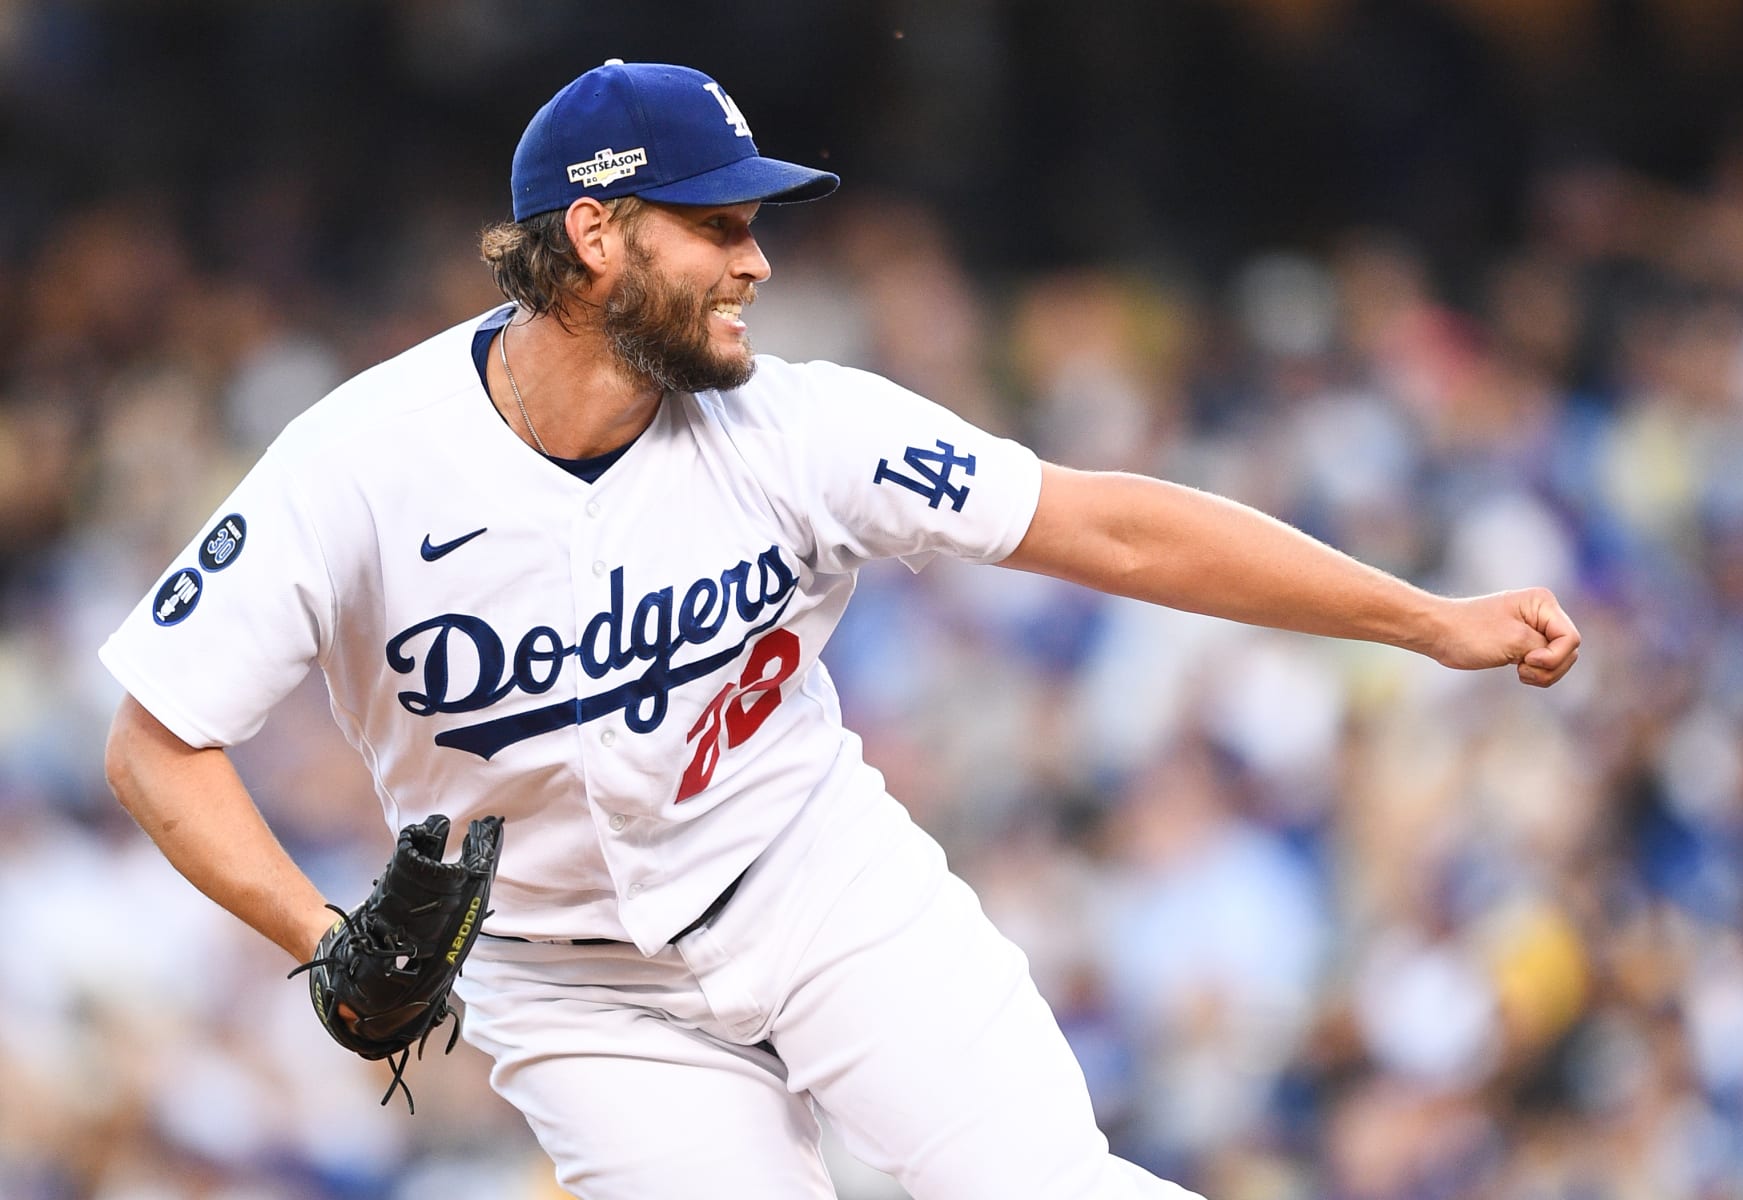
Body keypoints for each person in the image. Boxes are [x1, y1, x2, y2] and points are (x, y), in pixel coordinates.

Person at [99, 60, 1581, 1200]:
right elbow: (160, 739)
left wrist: (1422, 617)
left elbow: (1105, 523)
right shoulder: (359, 464)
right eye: (718, 225)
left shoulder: (799, 428)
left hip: (821, 890)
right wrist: (323, 937)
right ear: (595, 235)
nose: (755, 262)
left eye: (757, 225)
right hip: (577, 988)